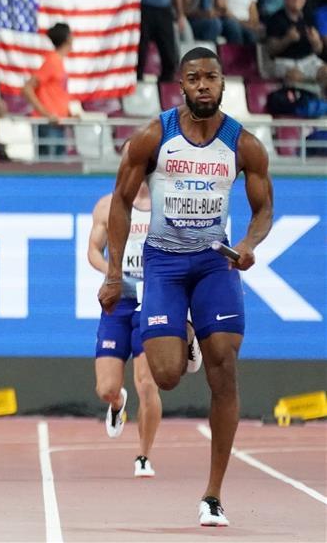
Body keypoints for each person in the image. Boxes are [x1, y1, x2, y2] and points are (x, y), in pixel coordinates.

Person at [98, 46, 273, 527]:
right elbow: (120, 201)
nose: (202, 85)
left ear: (222, 83)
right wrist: (114, 274)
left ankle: (213, 495)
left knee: (225, 370)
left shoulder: (243, 144)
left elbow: (263, 208)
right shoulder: (154, 136)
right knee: (167, 375)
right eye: (193, 78)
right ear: (180, 86)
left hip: (215, 264)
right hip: (164, 264)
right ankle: (187, 335)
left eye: (210, 77)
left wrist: (248, 243)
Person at [89, 182, 202, 478]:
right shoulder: (108, 205)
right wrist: (113, 273)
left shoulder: (168, 205)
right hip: (119, 301)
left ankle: (143, 456)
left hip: (153, 301)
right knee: (106, 389)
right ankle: (117, 403)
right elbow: (93, 250)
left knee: (147, 383)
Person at [22, 22, 72, 157]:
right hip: (49, 125)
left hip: (59, 123)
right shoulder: (52, 61)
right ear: (68, 38)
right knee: (50, 165)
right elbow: (27, 89)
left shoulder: (58, 61)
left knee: (59, 164)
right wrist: (46, 114)